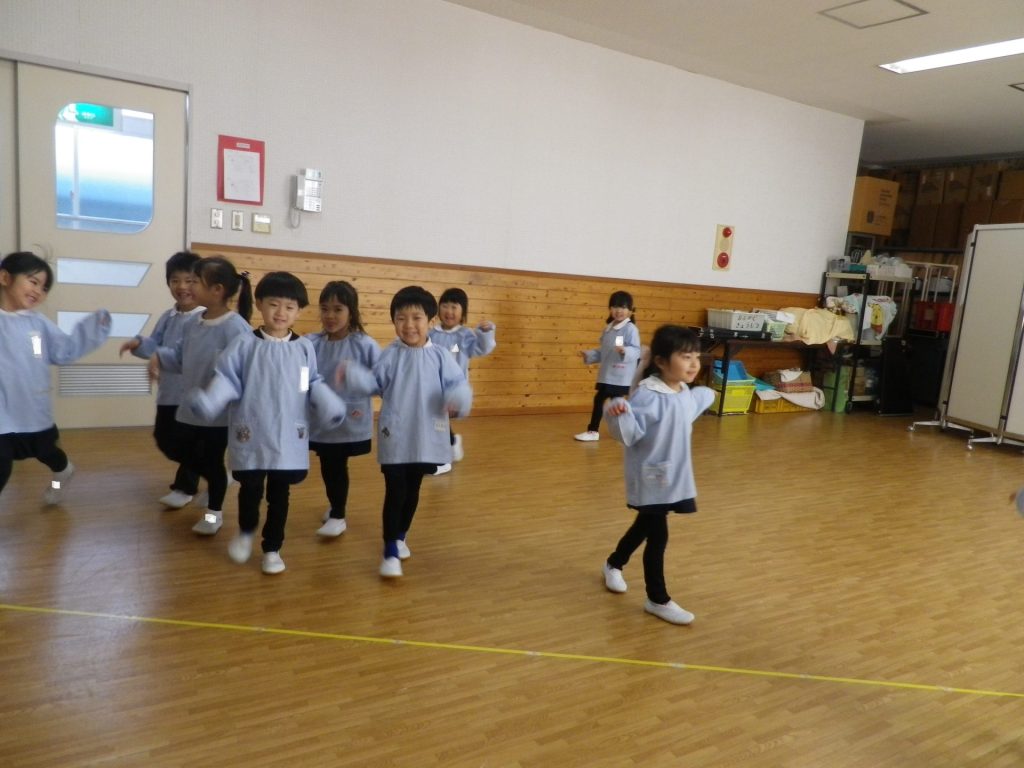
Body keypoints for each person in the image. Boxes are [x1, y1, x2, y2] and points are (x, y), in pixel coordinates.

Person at [188, 271, 345, 574]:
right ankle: (246, 532)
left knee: (280, 496)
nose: (281, 313)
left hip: (288, 435)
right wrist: (210, 401)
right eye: (274, 304)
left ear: (298, 311)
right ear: (259, 303)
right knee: (250, 490)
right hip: (253, 432)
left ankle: (272, 548)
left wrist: (327, 403)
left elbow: (310, 381)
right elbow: (227, 379)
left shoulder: (304, 348)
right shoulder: (244, 344)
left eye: (289, 307)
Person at [337, 285, 472, 579]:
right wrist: (354, 376)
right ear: (394, 322)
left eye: (416, 318)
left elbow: (457, 384)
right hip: (395, 434)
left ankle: (400, 536)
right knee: (395, 490)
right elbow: (374, 383)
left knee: (413, 489)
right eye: (401, 318)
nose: (409, 325)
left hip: (426, 436)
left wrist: (458, 399)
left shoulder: (441, 356)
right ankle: (389, 549)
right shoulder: (390, 354)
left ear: (430, 321)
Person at [601, 324, 714, 625]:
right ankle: (657, 598)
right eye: (686, 357)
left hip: (671, 477)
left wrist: (703, 397)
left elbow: (684, 412)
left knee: (644, 527)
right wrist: (619, 414)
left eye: (696, 357)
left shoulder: (682, 390)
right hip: (650, 477)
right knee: (658, 535)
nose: (694, 364)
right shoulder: (648, 395)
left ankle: (614, 563)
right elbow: (630, 434)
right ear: (662, 362)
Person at [152, 255, 252, 535]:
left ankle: (213, 514)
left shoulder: (236, 328)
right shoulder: (193, 323)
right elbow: (179, 358)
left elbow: (243, 372)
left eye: (195, 281)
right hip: (189, 409)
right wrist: (159, 357)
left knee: (211, 460)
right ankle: (217, 478)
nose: (189, 286)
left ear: (217, 290)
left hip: (218, 416)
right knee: (171, 445)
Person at [0, 251, 111, 504]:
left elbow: (61, 351)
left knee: (50, 456)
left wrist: (93, 329)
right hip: (2, 416)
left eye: (44, 287)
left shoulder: (37, 325)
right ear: (5, 278)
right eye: (33, 281)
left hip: (31, 410)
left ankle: (62, 475)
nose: (38, 291)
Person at [120, 251, 206, 509]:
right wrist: (139, 344)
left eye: (189, 280)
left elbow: (193, 355)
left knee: (190, 442)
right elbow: (154, 344)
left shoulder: (205, 319)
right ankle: (212, 472)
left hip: (194, 396)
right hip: (169, 393)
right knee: (164, 439)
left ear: (202, 283)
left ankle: (185, 487)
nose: (182, 286)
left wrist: (161, 356)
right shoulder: (168, 316)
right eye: (175, 280)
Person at [305, 280, 381, 538]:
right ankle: (336, 507)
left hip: (350, 419)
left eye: (338, 309)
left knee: (336, 465)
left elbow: (380, 383)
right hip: (320, 420)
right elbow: (302, 379)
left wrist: (356, 375)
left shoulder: (364, 344)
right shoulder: (312, 343)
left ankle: (338, 515)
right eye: (325, 309)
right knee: (329, 465)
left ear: (351, 311)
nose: (330, 315)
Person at [427, 287, 496, 474]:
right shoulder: (432, 334)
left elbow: (482, 348)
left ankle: (443, 458)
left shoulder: (464, 335)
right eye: (445, 306)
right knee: (435, 421)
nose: (449, 311)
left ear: (462, 312)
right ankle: (450, 443)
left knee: (439, 421)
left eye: (454, 307)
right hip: (432, 387)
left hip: (453, 390)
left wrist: (486, 333)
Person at [575, 290, 641, 442]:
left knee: (612, 403)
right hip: (607, 375)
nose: (619, 310)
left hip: (620, 375)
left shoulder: (630, 329)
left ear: (630, 310)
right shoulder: (608, 329)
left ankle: (602, 431)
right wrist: (589, 355)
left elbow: (636, 350)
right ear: (610, 309)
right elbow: (604, 351)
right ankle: (597, 431)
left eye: (623, 307)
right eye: (615, 306)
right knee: (606, 402)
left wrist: (625, 351)